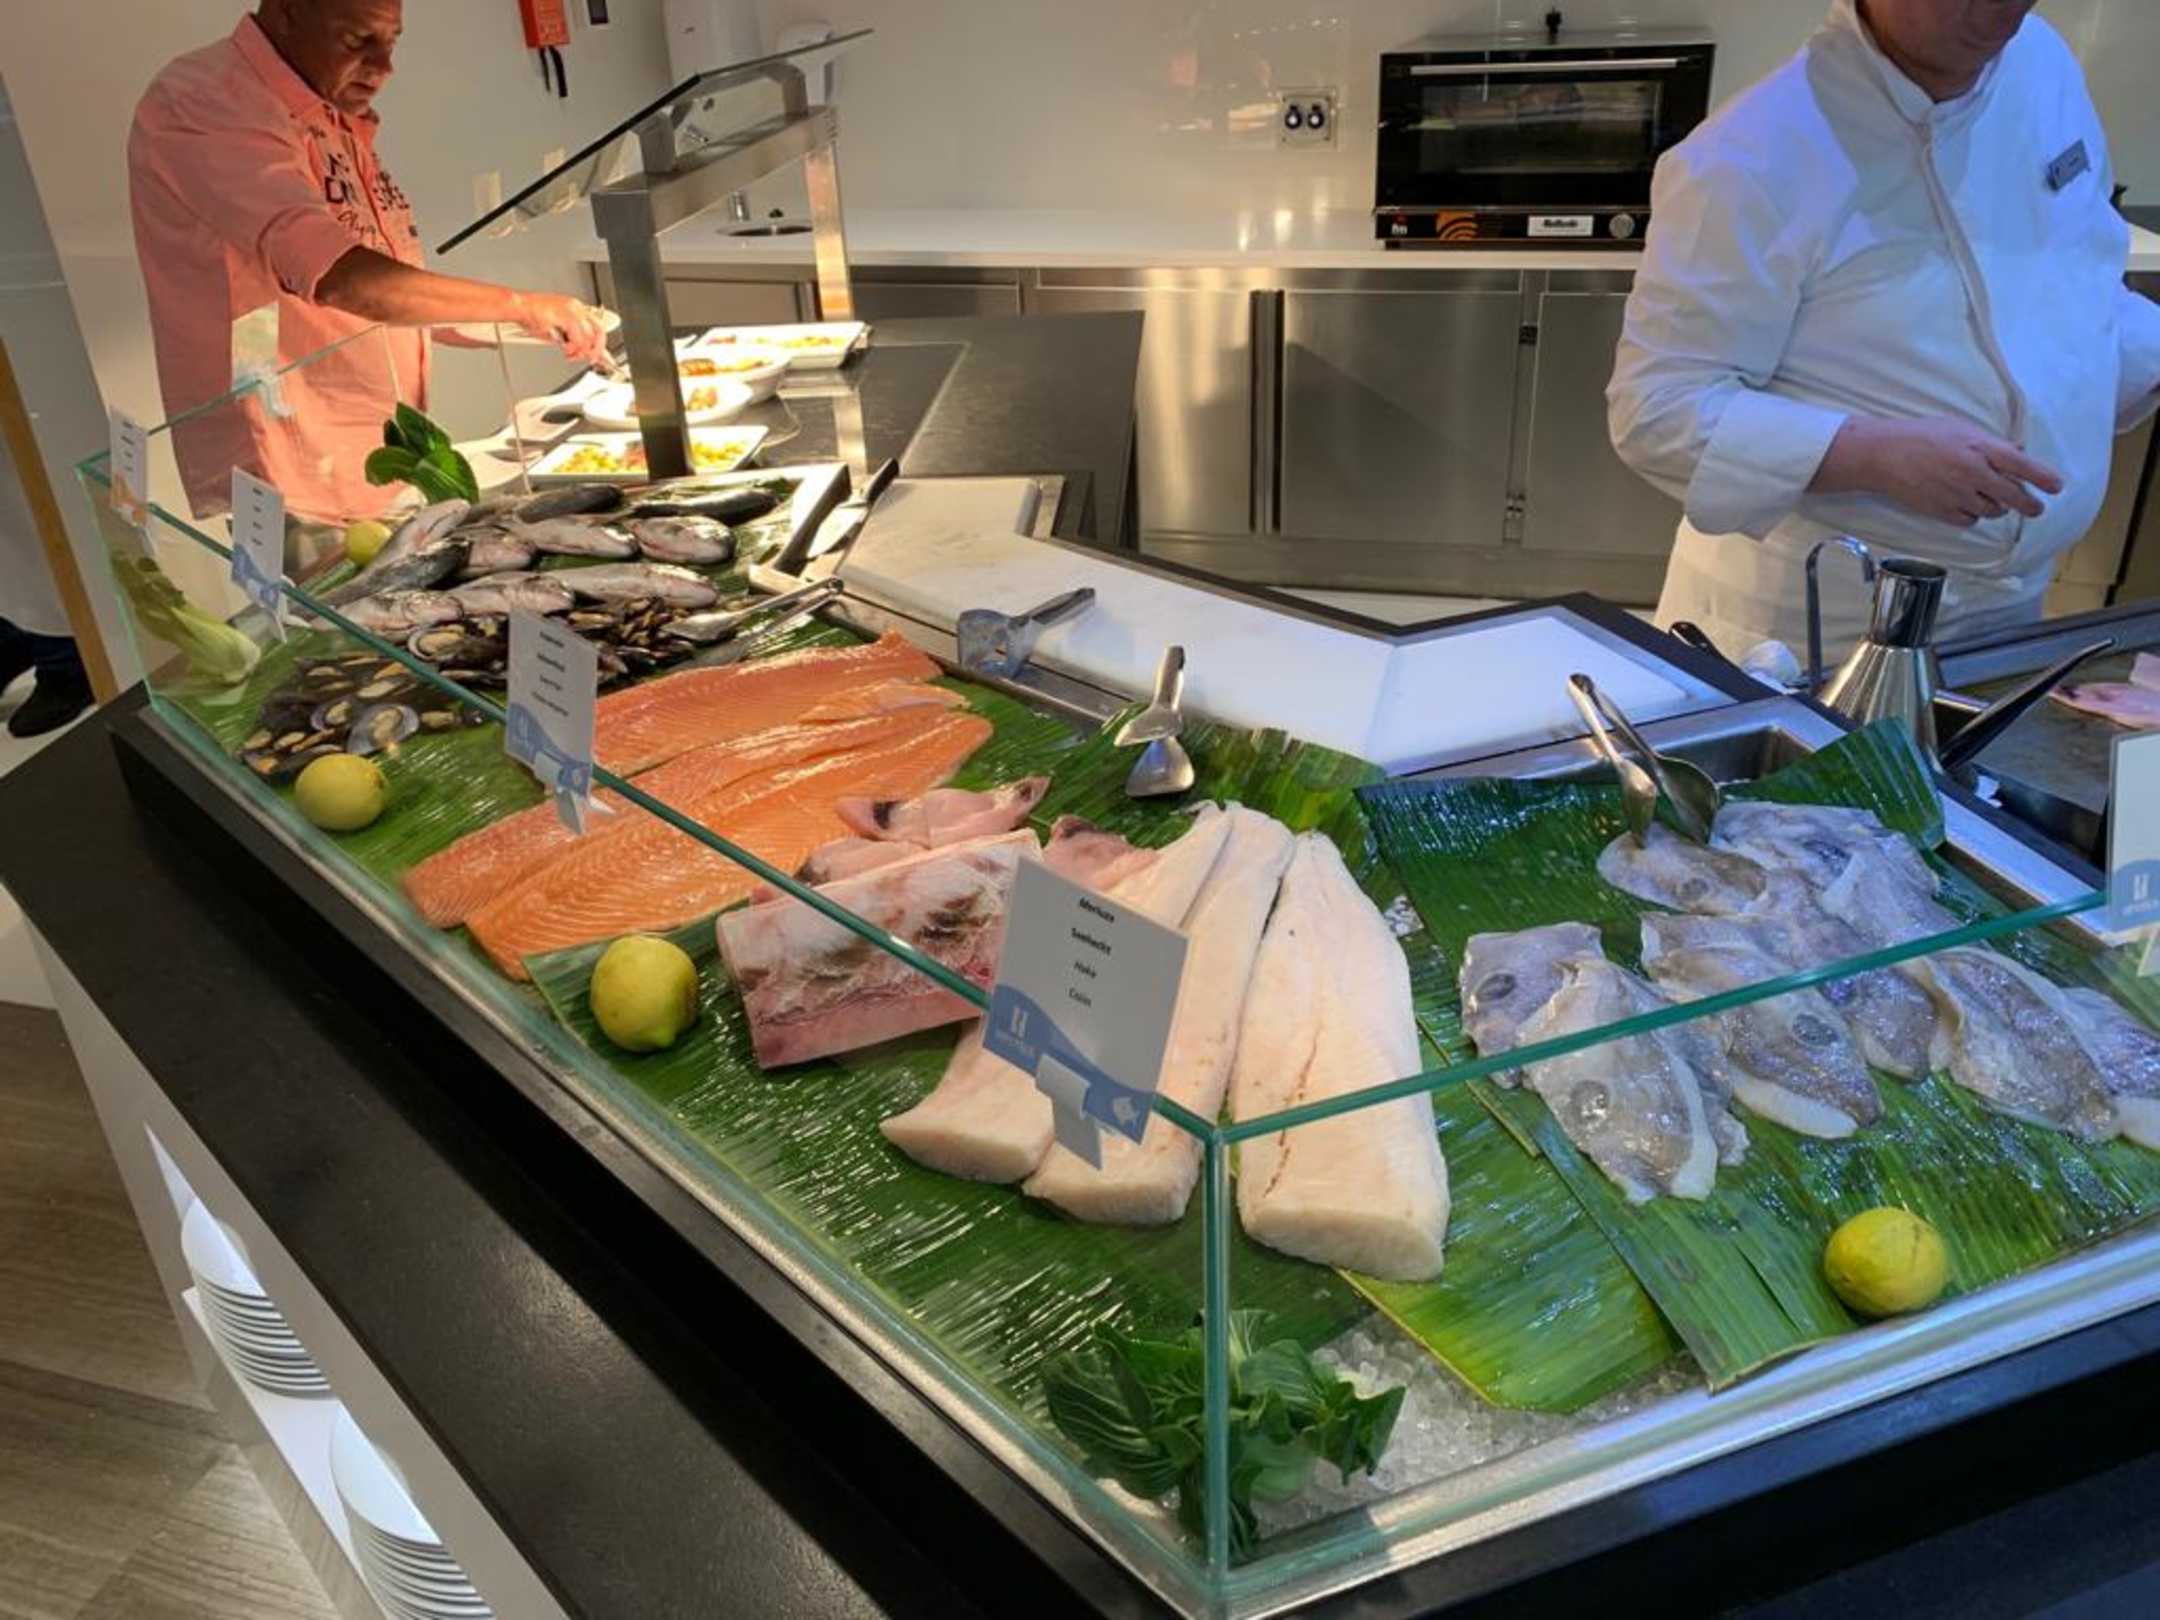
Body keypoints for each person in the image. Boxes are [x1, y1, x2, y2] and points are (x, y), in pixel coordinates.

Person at [1608, 0, 2160, 660]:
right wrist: (1871, 454)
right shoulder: (1747, 156)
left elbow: (2075, 279)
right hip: (1816, 624)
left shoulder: (2042, 65)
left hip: (2007, 612)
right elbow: (1656, 410)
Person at [128, 0, 612, 523]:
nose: (385, 67)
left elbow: (382, 271)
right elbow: (340, 278)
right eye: (358, 41)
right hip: (293, 462)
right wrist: (517, 304)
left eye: (391, 41)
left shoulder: (327, 105)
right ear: (288, 12)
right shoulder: (204, 101)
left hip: (380, 447)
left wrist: (519, 321)